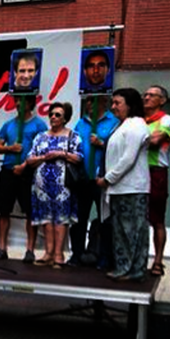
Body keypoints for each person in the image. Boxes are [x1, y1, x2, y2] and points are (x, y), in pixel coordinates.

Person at [95, 88, 150, 281]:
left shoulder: (136, 125)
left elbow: (128, 158)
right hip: (119, 187)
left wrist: (108, 178)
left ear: (130, 104)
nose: (113, 107)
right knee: (120, 230)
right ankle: (123, 267)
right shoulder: (121, 125)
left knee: (133, 230)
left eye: (117, 103)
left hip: (132, 188)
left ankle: (134, 270)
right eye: (113, 103)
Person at [26, 102, 83, 268]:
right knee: (46, 219)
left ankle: (59, 254)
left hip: (62, 185)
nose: (53, 117)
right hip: (42, 184)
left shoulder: (73, 136)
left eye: (58, 114)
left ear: (65, 118)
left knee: (61, 218)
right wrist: (44, 158)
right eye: (51, 114)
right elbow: (30, 159)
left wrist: (60, 154)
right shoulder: (40, 136)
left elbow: (79, 157)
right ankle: (48, 253)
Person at [0, 99, 48, 262]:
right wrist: (10, 148)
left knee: (30, 211)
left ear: (30, 104)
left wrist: (24, 165)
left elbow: (41, 150)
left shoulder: (39, 125)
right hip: (8, 170)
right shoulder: (8, 124)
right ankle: (2, 248)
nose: (18, 104)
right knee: (3, 210)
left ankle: (30, 250)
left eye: (22, 102)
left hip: (28, 172)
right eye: (16, 102)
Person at [69, 96, 119, 267]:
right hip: (83, 178)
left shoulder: (114, 122)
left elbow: (119, 146)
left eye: (93, 101)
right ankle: (76, 254)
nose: (89, 105)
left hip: (102, 179)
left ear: (103, 102)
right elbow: (73, 143)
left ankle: (105, 257)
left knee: (105, 220)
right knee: (78, 219)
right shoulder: (81, 123)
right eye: (88, 101)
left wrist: (101, 143)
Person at [143, 85, 170, 276]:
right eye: (145, 94)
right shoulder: (139, 120)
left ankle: (158, 261)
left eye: (151, 95)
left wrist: (136, 138)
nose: (146, 97)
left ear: (162, 100)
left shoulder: (167, 119)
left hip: (156, 171)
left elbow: (155, 141)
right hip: (137, 171)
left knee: (157, 219)